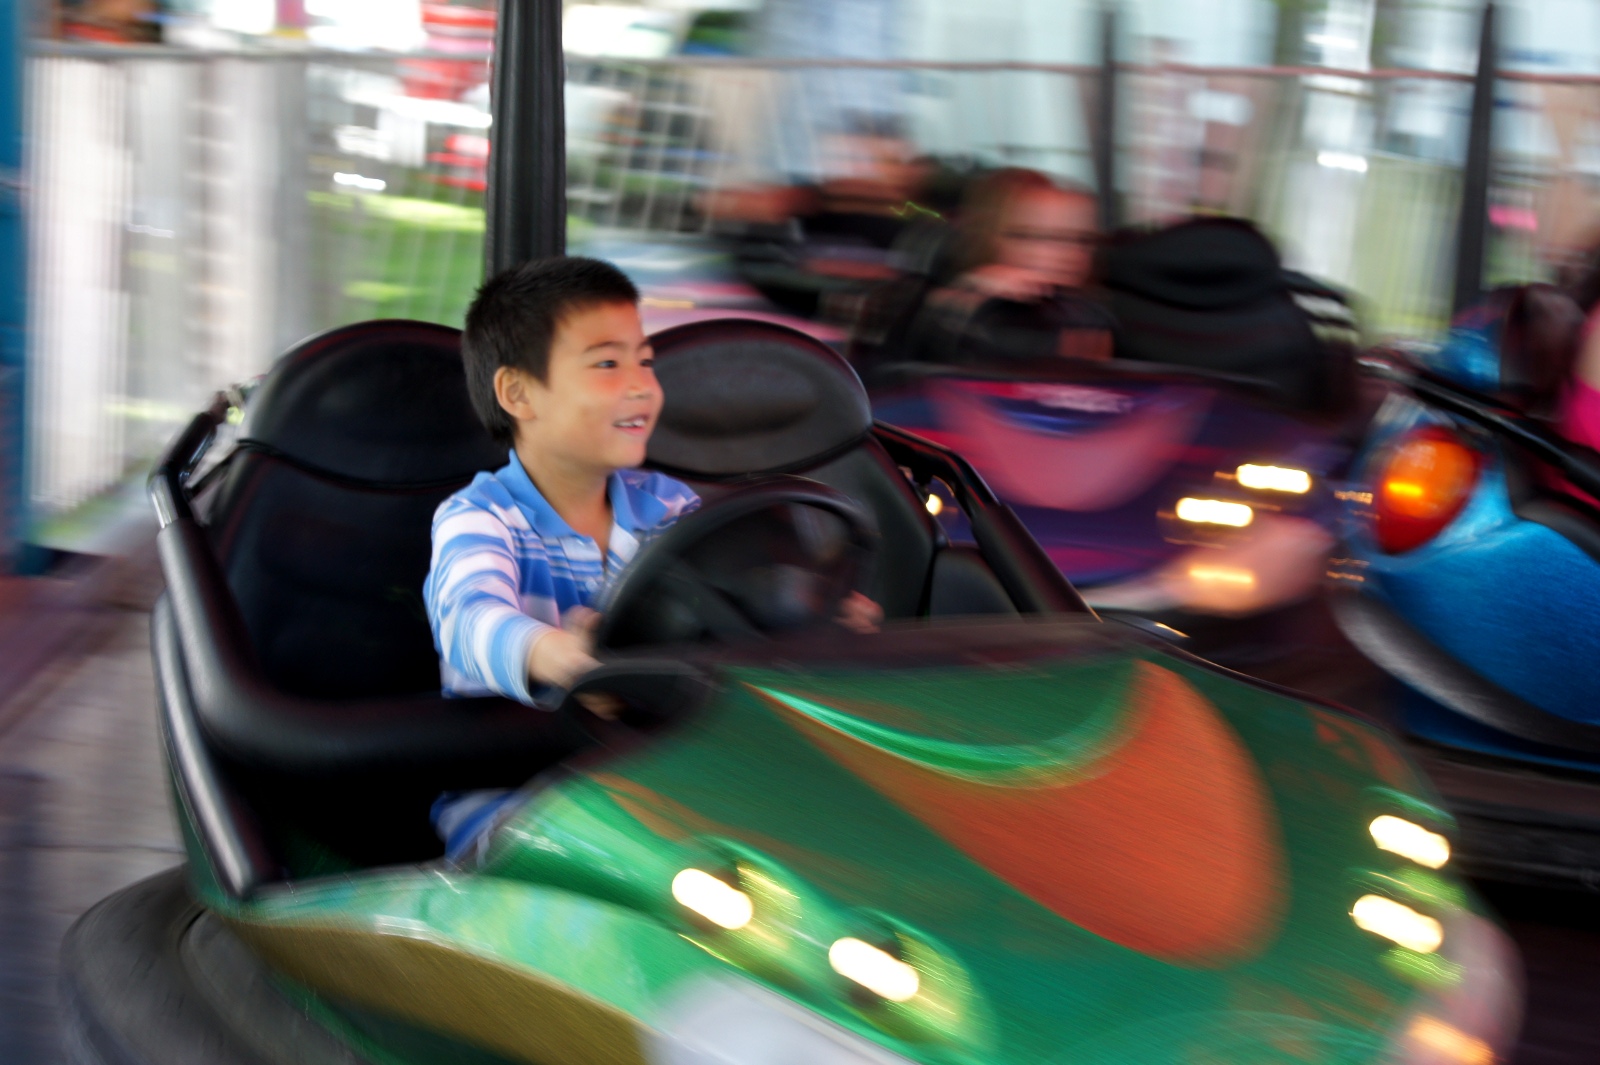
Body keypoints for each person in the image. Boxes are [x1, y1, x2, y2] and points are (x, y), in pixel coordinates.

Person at [424, 256, 879, 854]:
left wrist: (815, 614)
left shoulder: (668, 506)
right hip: (519, 793)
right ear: (518, 393)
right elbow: (468, 617)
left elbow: (730, 604)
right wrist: (563, 656)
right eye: (608, 364)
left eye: (645, 361)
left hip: (654, 774)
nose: (642, 385)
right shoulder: (482, 517)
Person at [910, 168, 1114, 365]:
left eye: (1084, 239)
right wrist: (967, 296)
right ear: (993, 238)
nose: (1070, 252)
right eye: (1042, 236)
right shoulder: (957, 300)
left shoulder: (1091, 313)